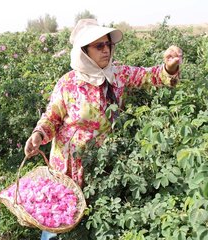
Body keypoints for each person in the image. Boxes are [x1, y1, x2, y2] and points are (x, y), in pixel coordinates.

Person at [24, 19, 182, 240]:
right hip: (69, 163)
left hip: (102, 161)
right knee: (59, 214)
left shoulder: (117, 75)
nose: (106, 50)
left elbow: (150, 76)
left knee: (95, 214)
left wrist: (169, 67)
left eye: (108, 44)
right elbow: (51, 117)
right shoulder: (69, 83)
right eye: (99, 46)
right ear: (84, 51)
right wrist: (38, 135)